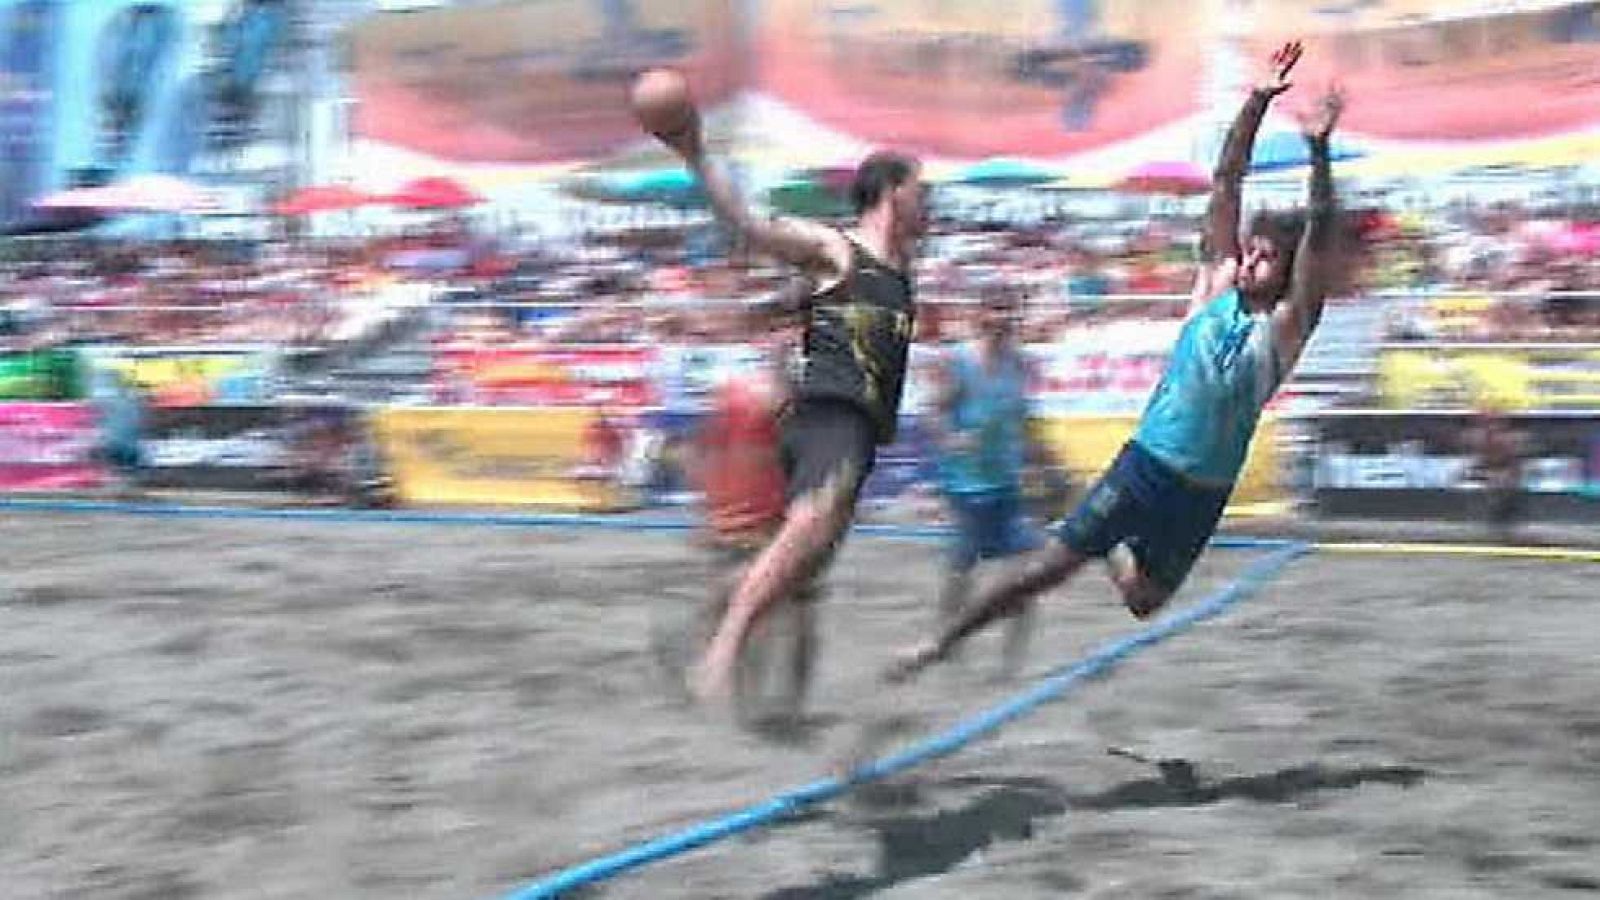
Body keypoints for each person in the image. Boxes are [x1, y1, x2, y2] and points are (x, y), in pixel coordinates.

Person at [888, 42, 1347, 681]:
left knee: (1143, 601)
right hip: (1147, 465)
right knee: (1045, 571)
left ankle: (1110, 547)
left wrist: (1320, 149)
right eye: (1249, 249)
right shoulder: (1214, 285)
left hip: (1206, 490)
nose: (1247, 261)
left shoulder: (1288, 324)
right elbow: (1226, 181)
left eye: (1265, 257)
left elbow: (1321, 231)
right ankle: (939, 642)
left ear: (1289, 271)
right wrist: (1257, 101)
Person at [646, 94, 928, 703]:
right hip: (831, 414)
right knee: (806, 530)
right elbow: (750, 226)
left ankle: (696, 634)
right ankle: (721, 654)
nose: (928, 203)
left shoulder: (902, 274)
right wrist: (695, 152)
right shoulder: (836, 248)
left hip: (857, 431)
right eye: (920, 190)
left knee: (800, 573)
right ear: (892, 192)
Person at [928, 287, 1054, 678]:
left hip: (1007, 485)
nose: (1003, 319)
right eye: (996, 309)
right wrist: (951, 438)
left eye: (1009, 310)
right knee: (960, 572)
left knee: (1025, 574)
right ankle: (947, 647)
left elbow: (1024, 419)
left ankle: (1010, 665)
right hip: (967, 487)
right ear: (980, 314)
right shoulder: (960, 362)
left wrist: (1044, 463)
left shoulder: (1019, 364)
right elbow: (935, 411)